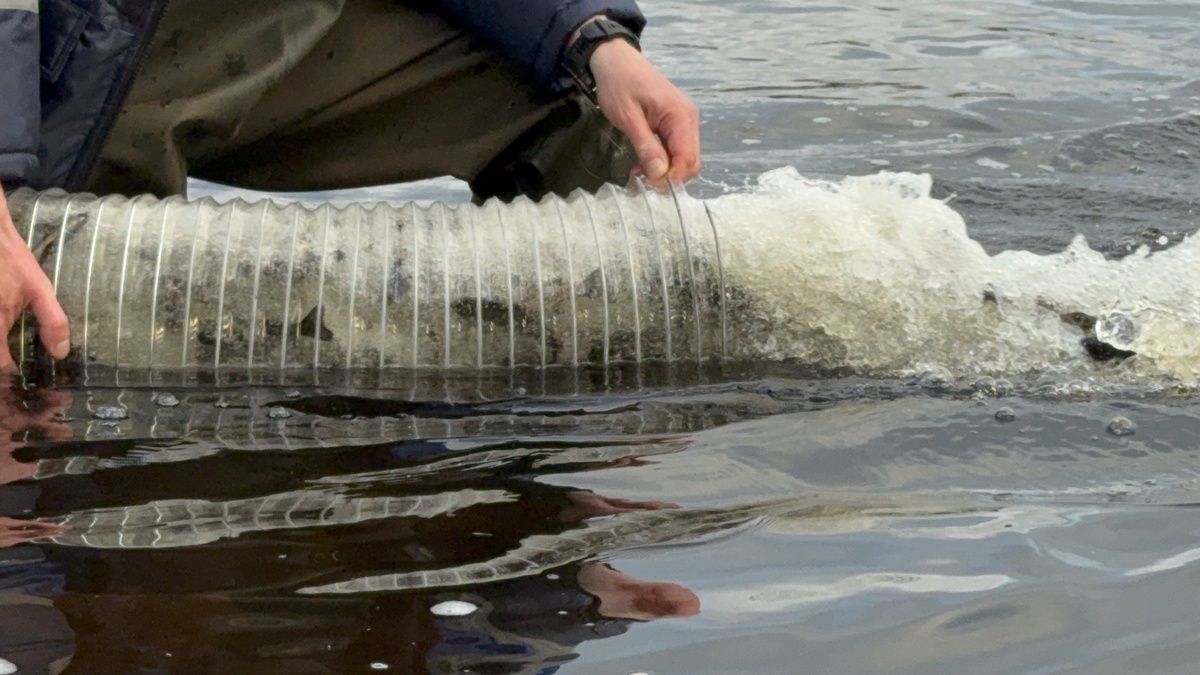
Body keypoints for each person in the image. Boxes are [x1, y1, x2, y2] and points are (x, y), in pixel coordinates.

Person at [0, 0, 701, 371]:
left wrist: (590, 34)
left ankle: (579, 466)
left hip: (185, 29)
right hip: (54, 58)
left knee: (571, 102)